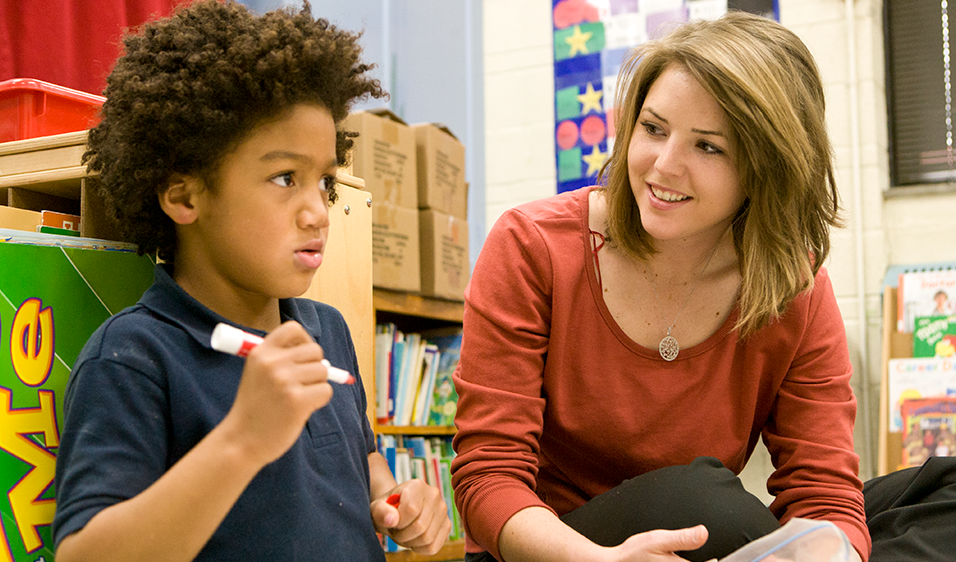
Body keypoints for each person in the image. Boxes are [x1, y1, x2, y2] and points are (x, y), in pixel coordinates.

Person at [451, 11, 870, 562]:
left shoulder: (794, 288)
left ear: (766, 167)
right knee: (700, 501)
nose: (663, 166)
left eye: (708, 147)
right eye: (653, 129)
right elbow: (488, 475)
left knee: (938, 495)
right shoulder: (532, 246)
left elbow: (827, 494)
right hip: (555, 549)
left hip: (699, 544)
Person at [52, 2, 451, 561]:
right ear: (185, 196)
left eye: (325, 182)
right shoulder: (131, 357)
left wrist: (393, 498)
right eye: (285, 178)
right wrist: (242, 440)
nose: (317, 211)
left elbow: (358, 458)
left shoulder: (326, 329)